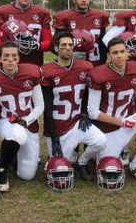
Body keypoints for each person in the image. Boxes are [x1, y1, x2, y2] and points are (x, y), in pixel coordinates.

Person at [87, 37, 136, 182]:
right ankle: (113, 154)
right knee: (108, 169)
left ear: (128, 52)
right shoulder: (99, 75)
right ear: (108, 55)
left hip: (130, 120)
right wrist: (120, 122)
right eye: (115, 53)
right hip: (109, 127)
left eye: (122, 51)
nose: (119, 55)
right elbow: (92, 111)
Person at [0, 42, 44, 191]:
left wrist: (26, 121)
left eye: (14, 56)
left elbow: (40, 106)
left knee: (27, 175)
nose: (10, 59)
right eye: (6, 56)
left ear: (19, 58)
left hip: (29, 123)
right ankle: (2, 169)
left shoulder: (32, 73)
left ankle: (11, 155)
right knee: (18, 134)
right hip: (6, 121)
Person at [41, 31, 106, 181]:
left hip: (77, 122)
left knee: (101, 141)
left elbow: (86, 94)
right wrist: (53, 135)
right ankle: (58, 158)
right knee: (61, 166)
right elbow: (47, 107)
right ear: (56, 49)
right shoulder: (47, 71)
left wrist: (84, 113)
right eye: (64, 45)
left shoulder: (84, 67)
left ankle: (82, 163)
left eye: (70, 45)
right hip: (58, 126)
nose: (68, 48)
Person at [0, 0, 51, 65]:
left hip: (34, 64)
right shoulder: (2, 12)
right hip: (10, 66)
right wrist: (15, 45)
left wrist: (35, 45)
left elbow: (49, 43)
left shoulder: (42, 13)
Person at [53, 0, 109, 65]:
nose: (84, 0)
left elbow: (103, 44)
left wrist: (102, 62)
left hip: (95, 64)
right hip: (73, 66)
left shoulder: (100, 16)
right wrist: (68, 55)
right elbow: (54, 45)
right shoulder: (65, 17)